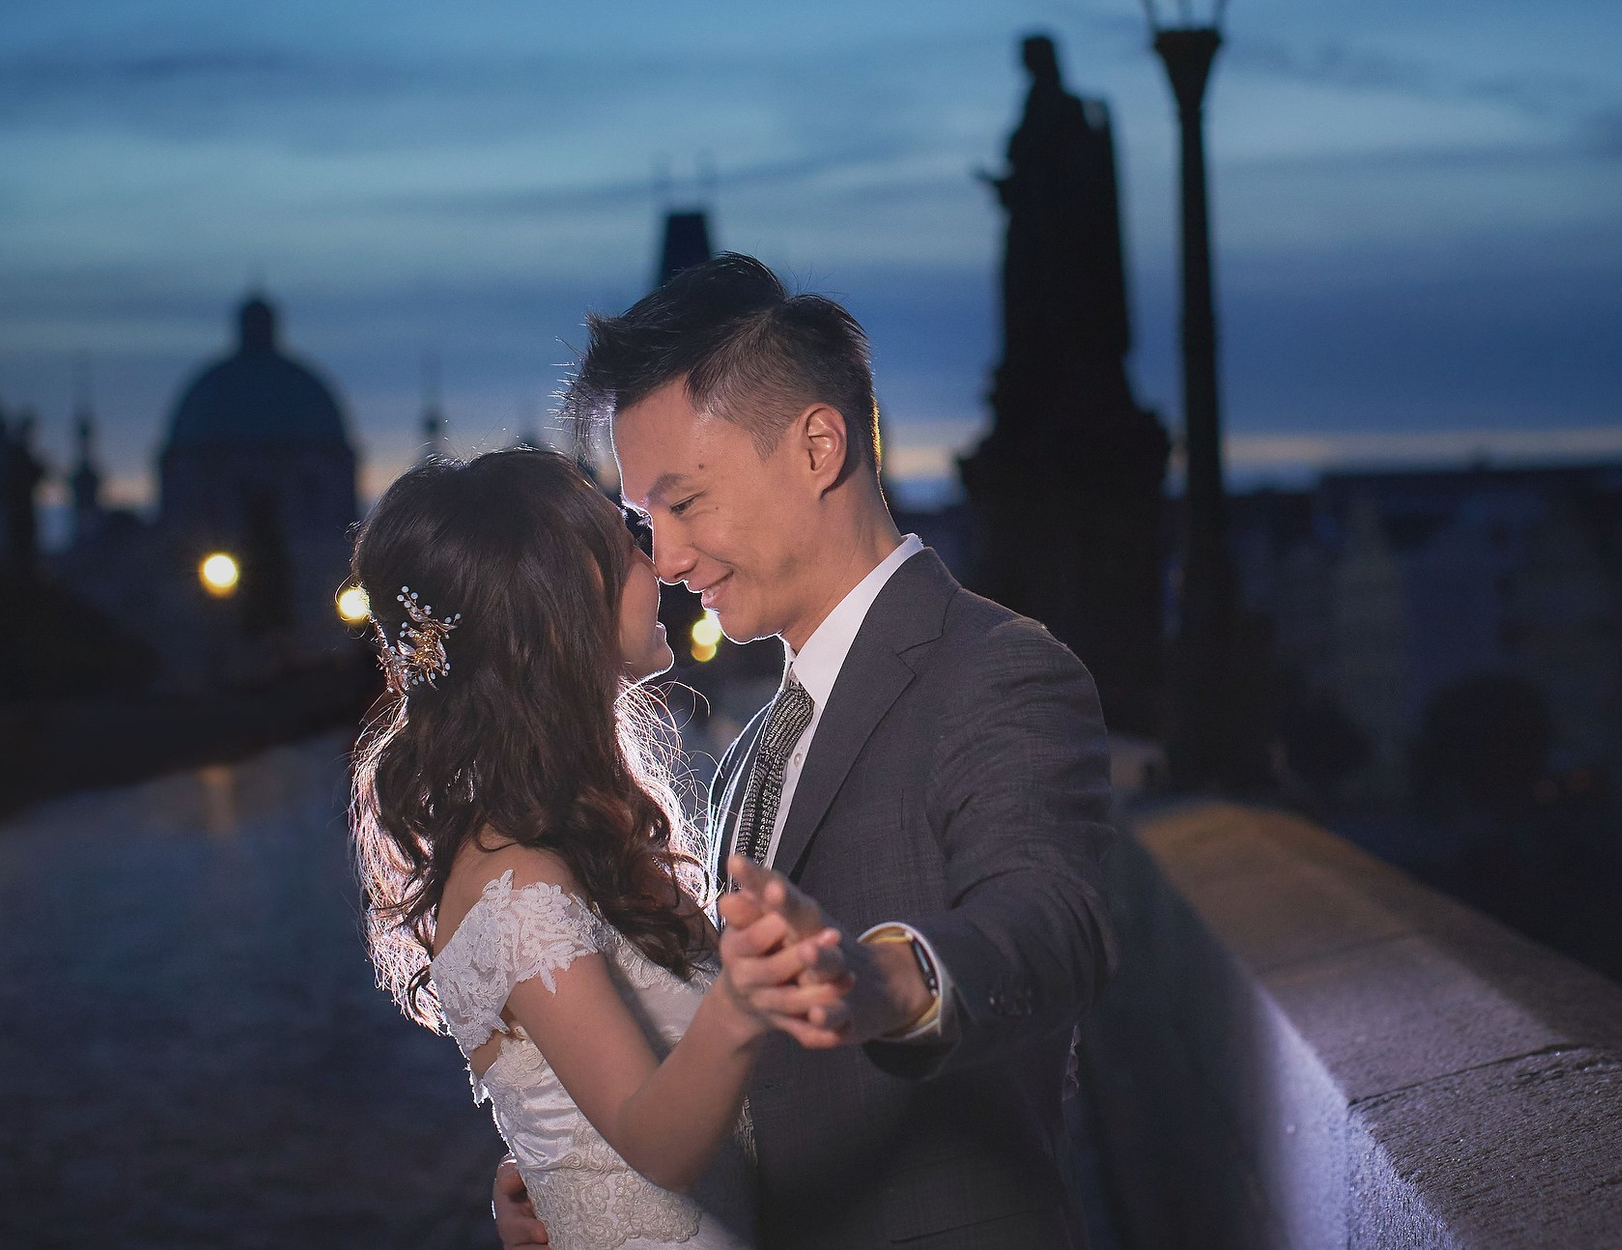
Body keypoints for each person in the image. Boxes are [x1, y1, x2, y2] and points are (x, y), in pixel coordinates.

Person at [499, 253, 1119, 1249]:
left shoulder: (999, 668)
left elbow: (1054, 923)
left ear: (818, 445)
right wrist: (588, 1175)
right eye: (644, 518)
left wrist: (881, 980)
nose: (663, 558)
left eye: (684, 501)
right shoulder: (749, 750)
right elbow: (744, 1067)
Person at [350, 448, 857, 1250]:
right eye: (629, 547)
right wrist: (744, 998)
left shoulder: (575, 835)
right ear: (562, 610)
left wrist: (564, 1180)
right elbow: (657, 1146)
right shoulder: (515, 885)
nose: (659, 559)